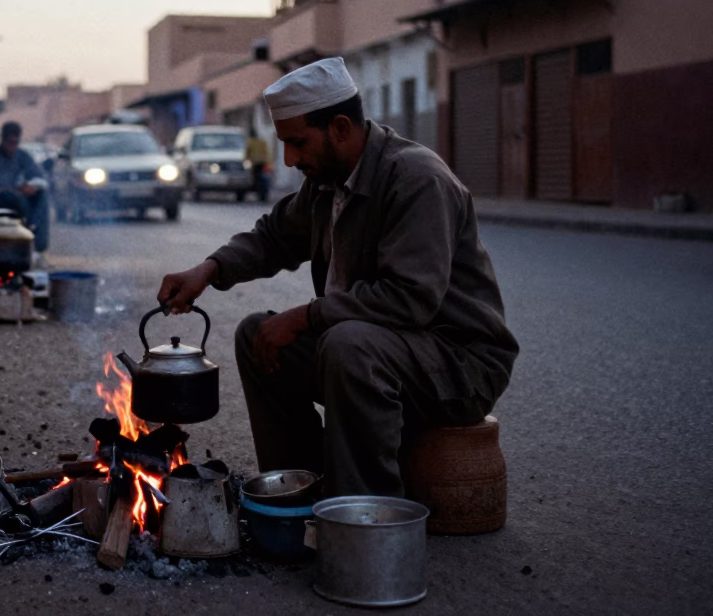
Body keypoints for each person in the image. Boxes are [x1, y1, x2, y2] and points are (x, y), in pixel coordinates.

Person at [157, 57, 517, 498]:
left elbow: (409, 298)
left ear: (341, 128)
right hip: (382, 349)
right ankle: (297, 493)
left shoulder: (417, 180)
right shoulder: (327, 181)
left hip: (458, 365)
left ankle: (362, 515)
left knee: (350, 345)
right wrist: (208, 271)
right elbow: (273, 237)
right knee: (258, 336)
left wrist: (306, 317)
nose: (290, 159)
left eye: (298, 143)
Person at [0, 122, 50, 252]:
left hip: (17, 198)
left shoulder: (22, 156)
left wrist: (31, 186)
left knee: (42, 197)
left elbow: (39, 177)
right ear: (3, 140)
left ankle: (37, 239)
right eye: (9, 143)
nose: (12, 147)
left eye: (15, 143)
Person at [244, 125, 272, 202]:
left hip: (255, 164)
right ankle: (262, 194)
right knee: (263, 178)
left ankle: (257, 189)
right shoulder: (262, 141)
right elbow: (267, 152)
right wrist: (268, 162)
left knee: (255, 178)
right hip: (263, 162)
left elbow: (247, 153)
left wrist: (245, 160)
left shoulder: (250, 142)